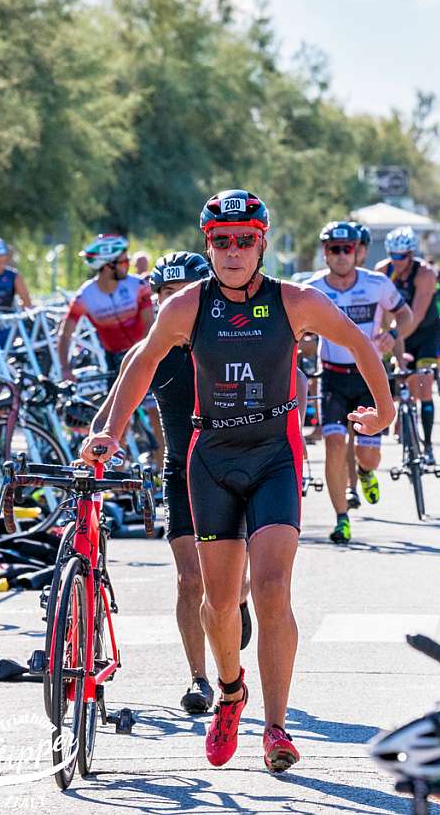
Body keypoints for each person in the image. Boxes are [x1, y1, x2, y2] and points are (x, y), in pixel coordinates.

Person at [80, 189, 395, 774]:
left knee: (272, 586)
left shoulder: (295, 302)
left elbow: (356, 342)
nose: (232, 251)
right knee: (219, 601)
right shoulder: (187, 307)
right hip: (212, 459)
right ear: (209, 244)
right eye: (221, 241)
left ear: (262, 243)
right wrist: (112, 433)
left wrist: (385, 410)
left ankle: (276, 728)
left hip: (275, 454)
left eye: (244, 240)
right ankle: (230, 690)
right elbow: (142, 363)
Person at [90, 251, 252, 715]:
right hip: (181, 472)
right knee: (189, 579)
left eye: (181, 294)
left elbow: (288, 380)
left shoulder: (233, 339)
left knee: (235, 587)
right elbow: (111, 409)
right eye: (164, 295)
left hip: (233, 473)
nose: (173, 302)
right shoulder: (151, 351)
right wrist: (99, 440)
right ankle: (199, 679)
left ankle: (237, 605)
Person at [309, 221, 412, 544]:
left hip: (369, 377)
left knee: (368, 456)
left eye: (347, 249)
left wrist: (392, 335)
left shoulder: (377, 284)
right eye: (333, 249)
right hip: (332, 377)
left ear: (358, 252)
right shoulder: (312, 289)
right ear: (325, 253)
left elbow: (405, 315)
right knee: (334, 444)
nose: (340, 255)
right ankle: (342, 519)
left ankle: (365, 473)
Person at [376, 226, 440, 465]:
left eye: (401, 256)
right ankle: (402, 417)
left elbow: (417, 315)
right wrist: (390, 340)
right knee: (402, 378)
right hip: (398, 330)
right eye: (392, 255)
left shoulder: (425, 273)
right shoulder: (382, 271)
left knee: (424, 385)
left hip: (425, 331)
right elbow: (381, 313)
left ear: (411, 254)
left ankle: (428, 444)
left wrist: (395, 337)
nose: (396, 261)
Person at [58, 234, 153, 383]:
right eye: (124, 261)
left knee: (152, 406)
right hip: (113, 360)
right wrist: (65, 369)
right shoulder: (85, 296)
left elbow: (149, 324)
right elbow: (65, 334)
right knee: (119, 406)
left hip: (144, 352)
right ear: (108, 266)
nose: (128, 264)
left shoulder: (138, 286)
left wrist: (144, 355)